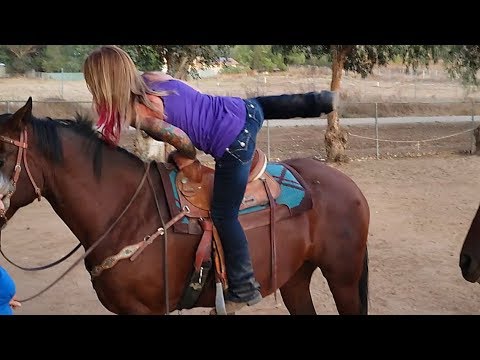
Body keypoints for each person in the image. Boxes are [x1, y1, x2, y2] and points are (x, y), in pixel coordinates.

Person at [83, 45, 338, 315]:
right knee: (269, 104)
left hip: (232, 144)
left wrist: (181, 158)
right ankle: (325, 100)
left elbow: (183, 143)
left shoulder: (141, 113)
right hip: (241, 108)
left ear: (103, 84)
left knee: (224, 214)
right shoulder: (153, 79)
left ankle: (244, 286)